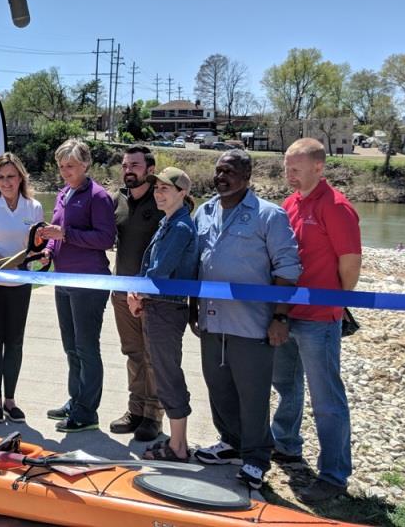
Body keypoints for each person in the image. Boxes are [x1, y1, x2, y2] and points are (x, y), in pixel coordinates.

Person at [191, 149, 301, 491]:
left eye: (229, 171)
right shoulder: (204, 212)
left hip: (252, 324)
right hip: (212, 320)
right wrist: (193, 308)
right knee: (218, 387)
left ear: (247, 176)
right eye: (218, 170)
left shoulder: (269, 216)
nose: (221, 176)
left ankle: (255, 458)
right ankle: (231, 443)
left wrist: (280, 317)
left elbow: (288, 269)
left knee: (252, 394)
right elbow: (197, 263)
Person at [271, 138, 361, 503]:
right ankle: (287, 444)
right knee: (286, 386)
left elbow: (350, 264)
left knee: (326, 397)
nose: (289, 174)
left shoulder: (337, 207)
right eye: (287, 167)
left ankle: (334, 475)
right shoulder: (289, 205)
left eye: (296, 168)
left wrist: (334, 304)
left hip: (320, 318)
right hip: (287, 314)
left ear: (318, 168)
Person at [40, 139, 116, 433]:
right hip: (63, 280)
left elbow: (105, 239)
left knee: (86, 347)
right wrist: (48, 248)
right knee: (71, 347)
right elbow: (55, 231)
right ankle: (76, 400)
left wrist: (65, 235)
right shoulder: (63, 193)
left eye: (70, 166)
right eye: (61, 166)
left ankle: (88, 411)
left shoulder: (98, 197)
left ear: (85, 164)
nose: (64, 171)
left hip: (89, 280)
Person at [128, 167, 198, 462]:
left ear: (182, 193)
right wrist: (138, 293)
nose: (158, 193)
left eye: (165, 189)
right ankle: (176, 442)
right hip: (157, 305)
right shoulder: (168, 223)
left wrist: (137, 292)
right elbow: (152, 270)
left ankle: (178, 447)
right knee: (164, 372)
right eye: (156, 189)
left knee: (167, 375)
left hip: (167, 309)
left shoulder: (180, 227)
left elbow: (160, 271)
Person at [0, 152, 44, 423]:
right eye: (1, 177)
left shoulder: (34, 207)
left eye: (11, 176)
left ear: (20, 177)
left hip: (21, 284)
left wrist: (42, 255)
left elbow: (35, 247)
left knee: (15, 342)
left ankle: (11, 400)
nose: (6, 182)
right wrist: (6, 266)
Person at [109, 145, 165, 442]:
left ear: (150, 169)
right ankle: (135, 409)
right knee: (132, 353)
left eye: (135, 165)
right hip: (120, 292)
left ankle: (154, 415)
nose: (129, 169)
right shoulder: (117, 199)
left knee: (153, 355)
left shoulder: (162, 198)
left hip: (152, 295)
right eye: (125, 165)